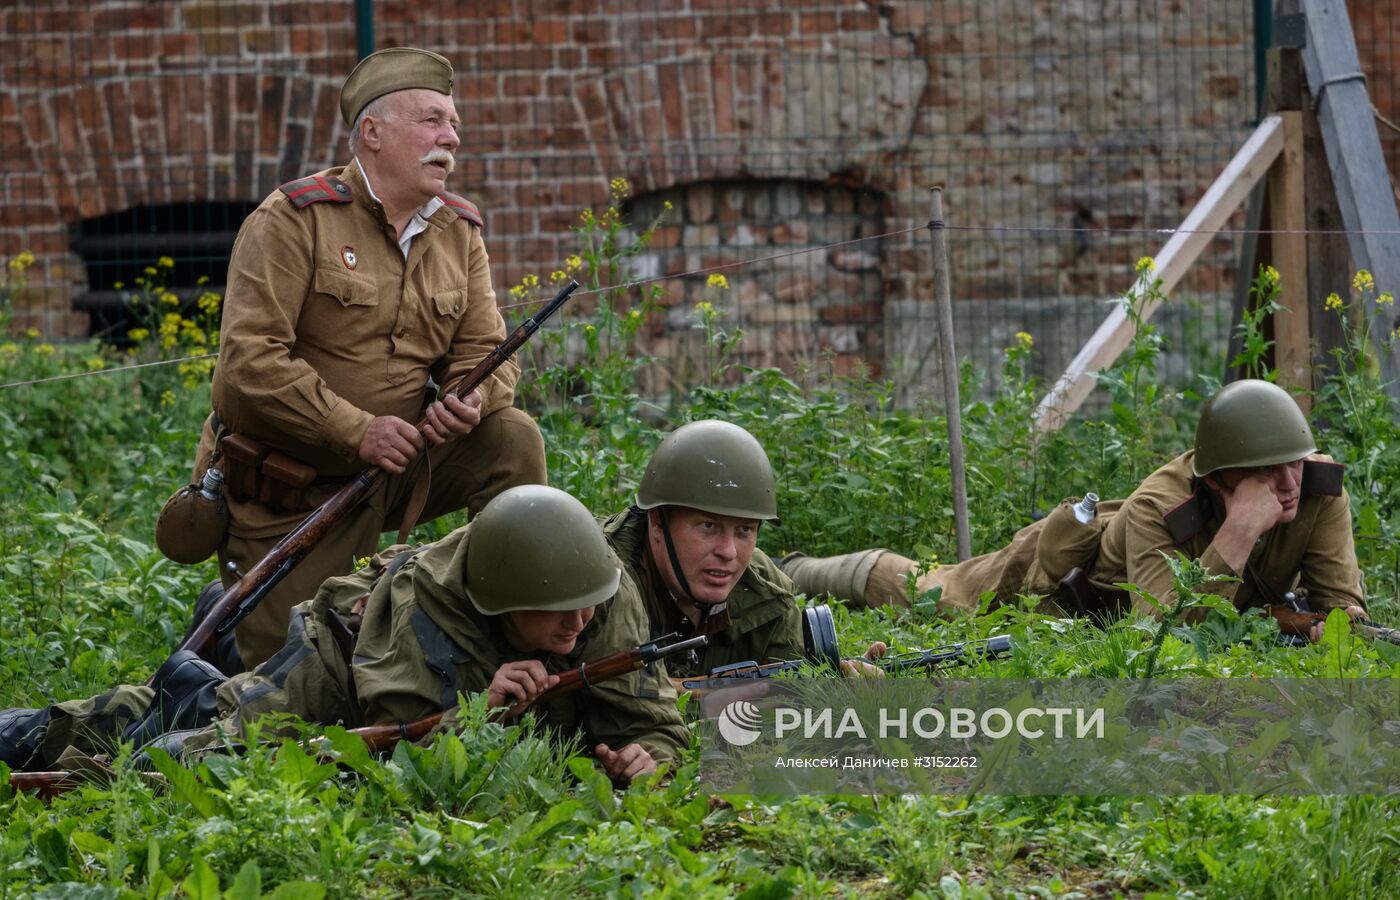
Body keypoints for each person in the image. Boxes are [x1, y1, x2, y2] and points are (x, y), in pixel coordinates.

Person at [184, 47, 546, 668]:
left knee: (510, 437)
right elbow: (248, 365)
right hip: (293, 494)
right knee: (292, 682)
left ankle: (511, 631)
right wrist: (357, 431)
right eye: (432, 120)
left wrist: (470, 397)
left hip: (397, 471)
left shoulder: (458, 231)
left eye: (454, 124)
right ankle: (224, 625)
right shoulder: (294, 220)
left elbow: (486, 350)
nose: (451, 138)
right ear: (373, 133)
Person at [1, 486, 687, 785]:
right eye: (559, 612)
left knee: (200, 728)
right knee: (205, 752)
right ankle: (30, 732)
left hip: (385, 689)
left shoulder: (601, 591)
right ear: (501, 602)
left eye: (588, 607)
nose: (581, 623)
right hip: (336, 663)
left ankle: (195, 687)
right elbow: (404, 746)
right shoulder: (427, 606)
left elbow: (654, 723)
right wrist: (482, 706)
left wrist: (647, 758)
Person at [783, 380, 1368, 642]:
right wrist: (1239, 531)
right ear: (1217, 480)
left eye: (1294, 463)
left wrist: (1333, 627)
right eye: (1266, 472)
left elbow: (1344, 608)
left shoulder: (1318, 491)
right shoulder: (1159, 507)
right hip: (1051, 586)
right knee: (924, 589)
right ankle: (798, 570)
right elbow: (1163, 637)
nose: (1288, 484)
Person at [601, 419, 885, 679]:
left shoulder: (762, 588)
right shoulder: (602, 582)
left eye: (744, 530)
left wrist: (833, 681)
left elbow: (793, 682)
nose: (729, 552)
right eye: (708, 526)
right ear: (656, 522)